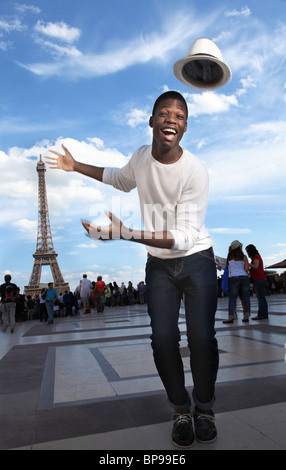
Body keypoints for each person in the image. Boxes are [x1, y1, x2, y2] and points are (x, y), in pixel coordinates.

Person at [46, 91, 219, 448]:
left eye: (180, 116)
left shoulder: (195, 171)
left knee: (201, 339)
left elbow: (185, 238)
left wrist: (127, 234)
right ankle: (180, 409)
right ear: (152, 121)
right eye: (164, 113)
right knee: (162, 342)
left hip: (197, 258)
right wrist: (75, 165)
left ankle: (204, 408)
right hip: (158, 264)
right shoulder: (141, 156)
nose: (172, 119)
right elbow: (118, 178)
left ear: (185, 127)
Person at [223, 241, 251, 324]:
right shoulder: (243, 256)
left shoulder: (229, 256)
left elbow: (228, 267)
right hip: (244, 277)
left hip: (233, 278)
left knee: (232, 298)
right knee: (245, 297)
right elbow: (246, 268)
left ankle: (231, 317)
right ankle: (246, 316)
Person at [246, 244, 268, 319]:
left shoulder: (256, 257)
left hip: (259, 279)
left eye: (247, 251)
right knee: (262, 297)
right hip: (260, 278)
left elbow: (256, 266)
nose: (247, 253)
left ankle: (261, 315)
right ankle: (264, 314)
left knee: (260, 297)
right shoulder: (256, 257)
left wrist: (248, 264)